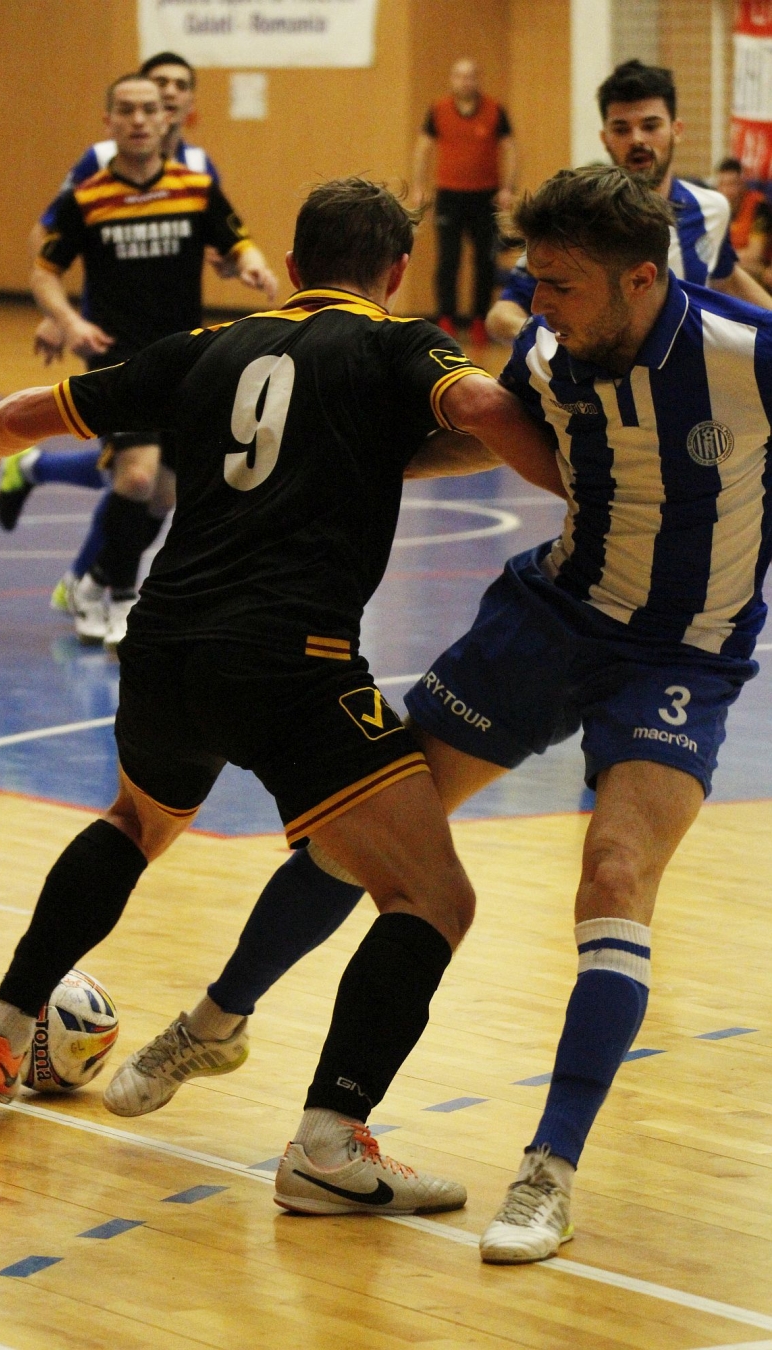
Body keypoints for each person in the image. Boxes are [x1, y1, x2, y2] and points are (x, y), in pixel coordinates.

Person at [109, 164, 772, 1263]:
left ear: (642, 279)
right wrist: (348, 464)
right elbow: (487, 433)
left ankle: (546, 1171)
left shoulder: (747, 359)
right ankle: (214, 1025)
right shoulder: (554, 350)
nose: (532, 302)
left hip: (683, 656)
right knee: (365, 826)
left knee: (613, 879)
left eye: (556, 284)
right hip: (550, 621)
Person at [0, 177, 565, 1217]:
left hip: (165, 647)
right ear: (397, 272)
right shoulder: (393, 346)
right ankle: (329, 1139)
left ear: (293, 253)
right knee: (433, 898)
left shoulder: (207, 347)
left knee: (136, 822)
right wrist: (592, 484)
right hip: (290, 661)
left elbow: (28, 413)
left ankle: (0, 1033)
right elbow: (484, 411)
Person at [0, 58, 277, 650]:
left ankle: (96, 579)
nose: (140, 119)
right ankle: (121, 593)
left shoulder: (197, 188)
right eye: (127, 110)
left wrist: (250, 264)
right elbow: (44, 271)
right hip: (117, 353)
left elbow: (235, 241)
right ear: (109, 121)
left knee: (167, 492)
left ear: (169, 116)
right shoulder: (87, 197)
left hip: (185, 355)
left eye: (150, 109)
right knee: (136, 475)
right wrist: (66, 320)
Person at [487, 58, 772, 343]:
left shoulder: (711, 208)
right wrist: (549, 344)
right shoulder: (572, 217)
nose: (637, 139)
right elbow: (502, 315)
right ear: (605, 138)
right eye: (622, 129)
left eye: (650, 126)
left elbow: (726, 278)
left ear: (677, 130)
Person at [410, 57, 516, 347]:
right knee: (448, 260)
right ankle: (446, 319)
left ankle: (480, 320)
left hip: (485, 196)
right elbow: (423, 147)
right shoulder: (439, 110)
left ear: (477, 80)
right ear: (452, 79)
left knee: (484, 261)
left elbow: (509, 147)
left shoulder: (495, 110)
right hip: (449, 195)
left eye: (470, 76)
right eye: (459, 76)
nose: (464, 82)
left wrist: (508, 187)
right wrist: (419, 186)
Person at [715, 155, 772, 285]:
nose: (727, 191)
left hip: (759, 269)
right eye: (722, 184)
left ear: (743, 185)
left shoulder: (759, 207)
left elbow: (755, 254)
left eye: (732, 184)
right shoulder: (716, 208)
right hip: (733, 266)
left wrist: (719, 256)